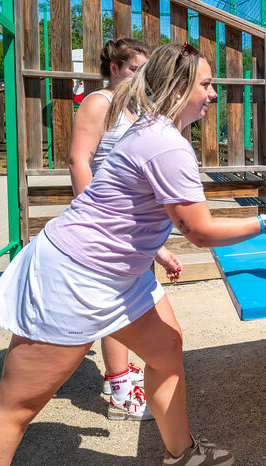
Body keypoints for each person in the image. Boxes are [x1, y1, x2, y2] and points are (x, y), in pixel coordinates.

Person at [0, 42, 266, 466]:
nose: (213, 94)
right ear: (179, 87)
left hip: (118, 274)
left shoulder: (153, 130)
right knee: (13, 408)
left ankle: (181, 455)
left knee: (167, 348)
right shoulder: (166, 144)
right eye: (206, 84)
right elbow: (199, 231)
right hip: (78, 275)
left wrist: (153, 251)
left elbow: (132, 209)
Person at [67, 37, 182, 421]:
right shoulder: (99, 102)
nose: (139, 77)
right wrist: (92, 216)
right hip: (106, 226)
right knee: (117, 306)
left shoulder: (137, 109)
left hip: (132, 229)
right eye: (133, 69)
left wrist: (159, 248)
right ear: (114, 68)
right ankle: (120, 390)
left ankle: (120, 372)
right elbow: (78, 161)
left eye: (143, 71)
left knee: (129, 304)